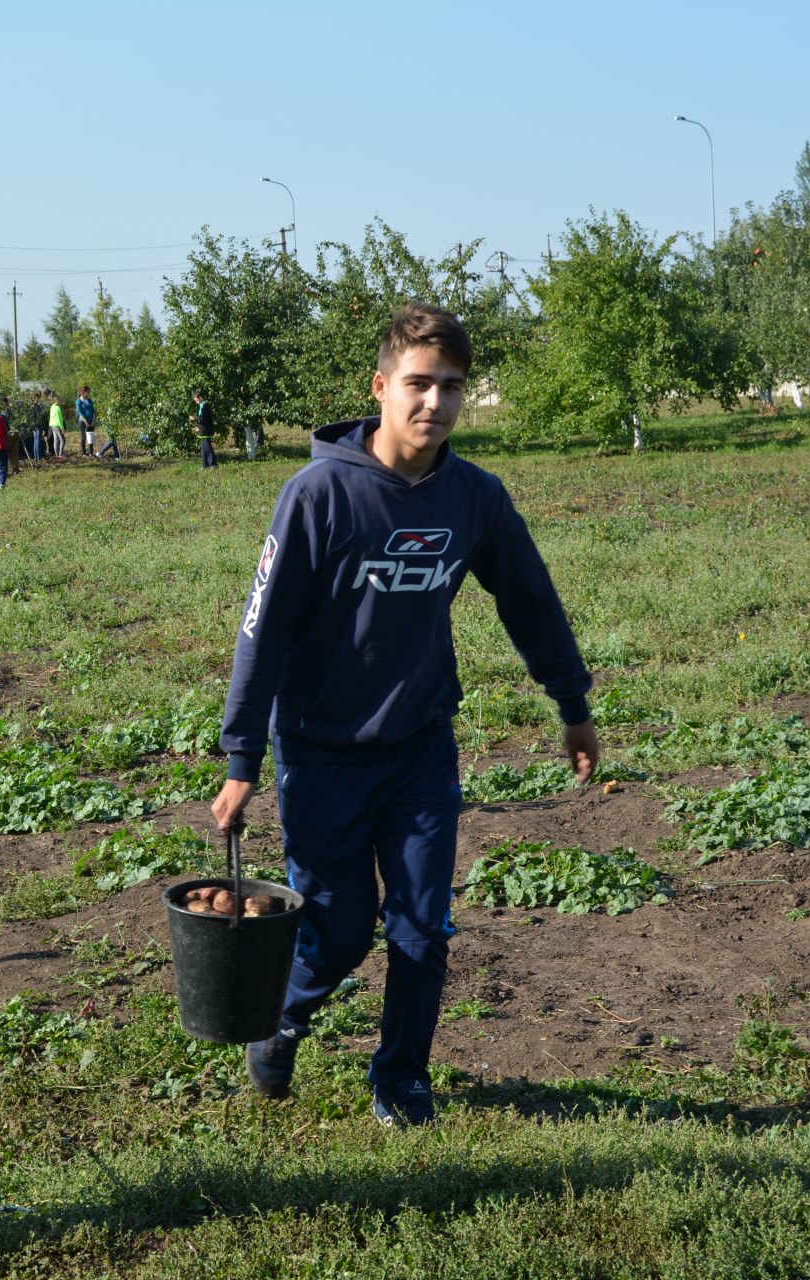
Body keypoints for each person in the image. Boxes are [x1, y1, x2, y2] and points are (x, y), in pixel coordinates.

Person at [211, 304, 598, 1129]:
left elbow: (531, 602)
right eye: (418, 384)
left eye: (452, 387)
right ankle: (286, 1013)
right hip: (320, 751)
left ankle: (402, 1078)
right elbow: (263, 628)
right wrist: (242, 758)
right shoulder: (317, 495)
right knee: (342, 928)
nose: (435, 403)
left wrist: (572, 704)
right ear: (382, 387)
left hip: (420, 746)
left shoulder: (475, 499)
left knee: (423, 925)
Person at [194, 390, 218, 468]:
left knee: (208, 447)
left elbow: (203, 419)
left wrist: (194, 418)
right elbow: (201, 420)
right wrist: (198, 427)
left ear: (200, 398)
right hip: (203, 430)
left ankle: (213, 464)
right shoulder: (202, 406)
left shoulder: (205, 406)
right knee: (203, 449)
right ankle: (205, 465)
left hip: (206, 430)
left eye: (196, 400)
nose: (196, 402)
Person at [75, 386, 96, 456]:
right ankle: (84, 452)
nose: (89, 393)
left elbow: (93, 411)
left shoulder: (89, 400)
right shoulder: (78, 402)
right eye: (88, 392)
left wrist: (93, 421)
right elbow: (80, 413)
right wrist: (86, 421)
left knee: (90, 436)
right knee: (83, 436)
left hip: (91, 421)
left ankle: (91, 452)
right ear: (83, 392)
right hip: (82, 422)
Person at [47, 393, 67, 458]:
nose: (60, 401)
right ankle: (61, 454)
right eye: (60, 400)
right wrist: (62, 427)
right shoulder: (58, 408)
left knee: (56, 440)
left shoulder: (52, 407)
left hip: (52, 425)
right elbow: (59, 419)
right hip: (57, 425)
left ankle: (57, 454)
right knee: (63, 440)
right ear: (57, 400)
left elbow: (51, 417)